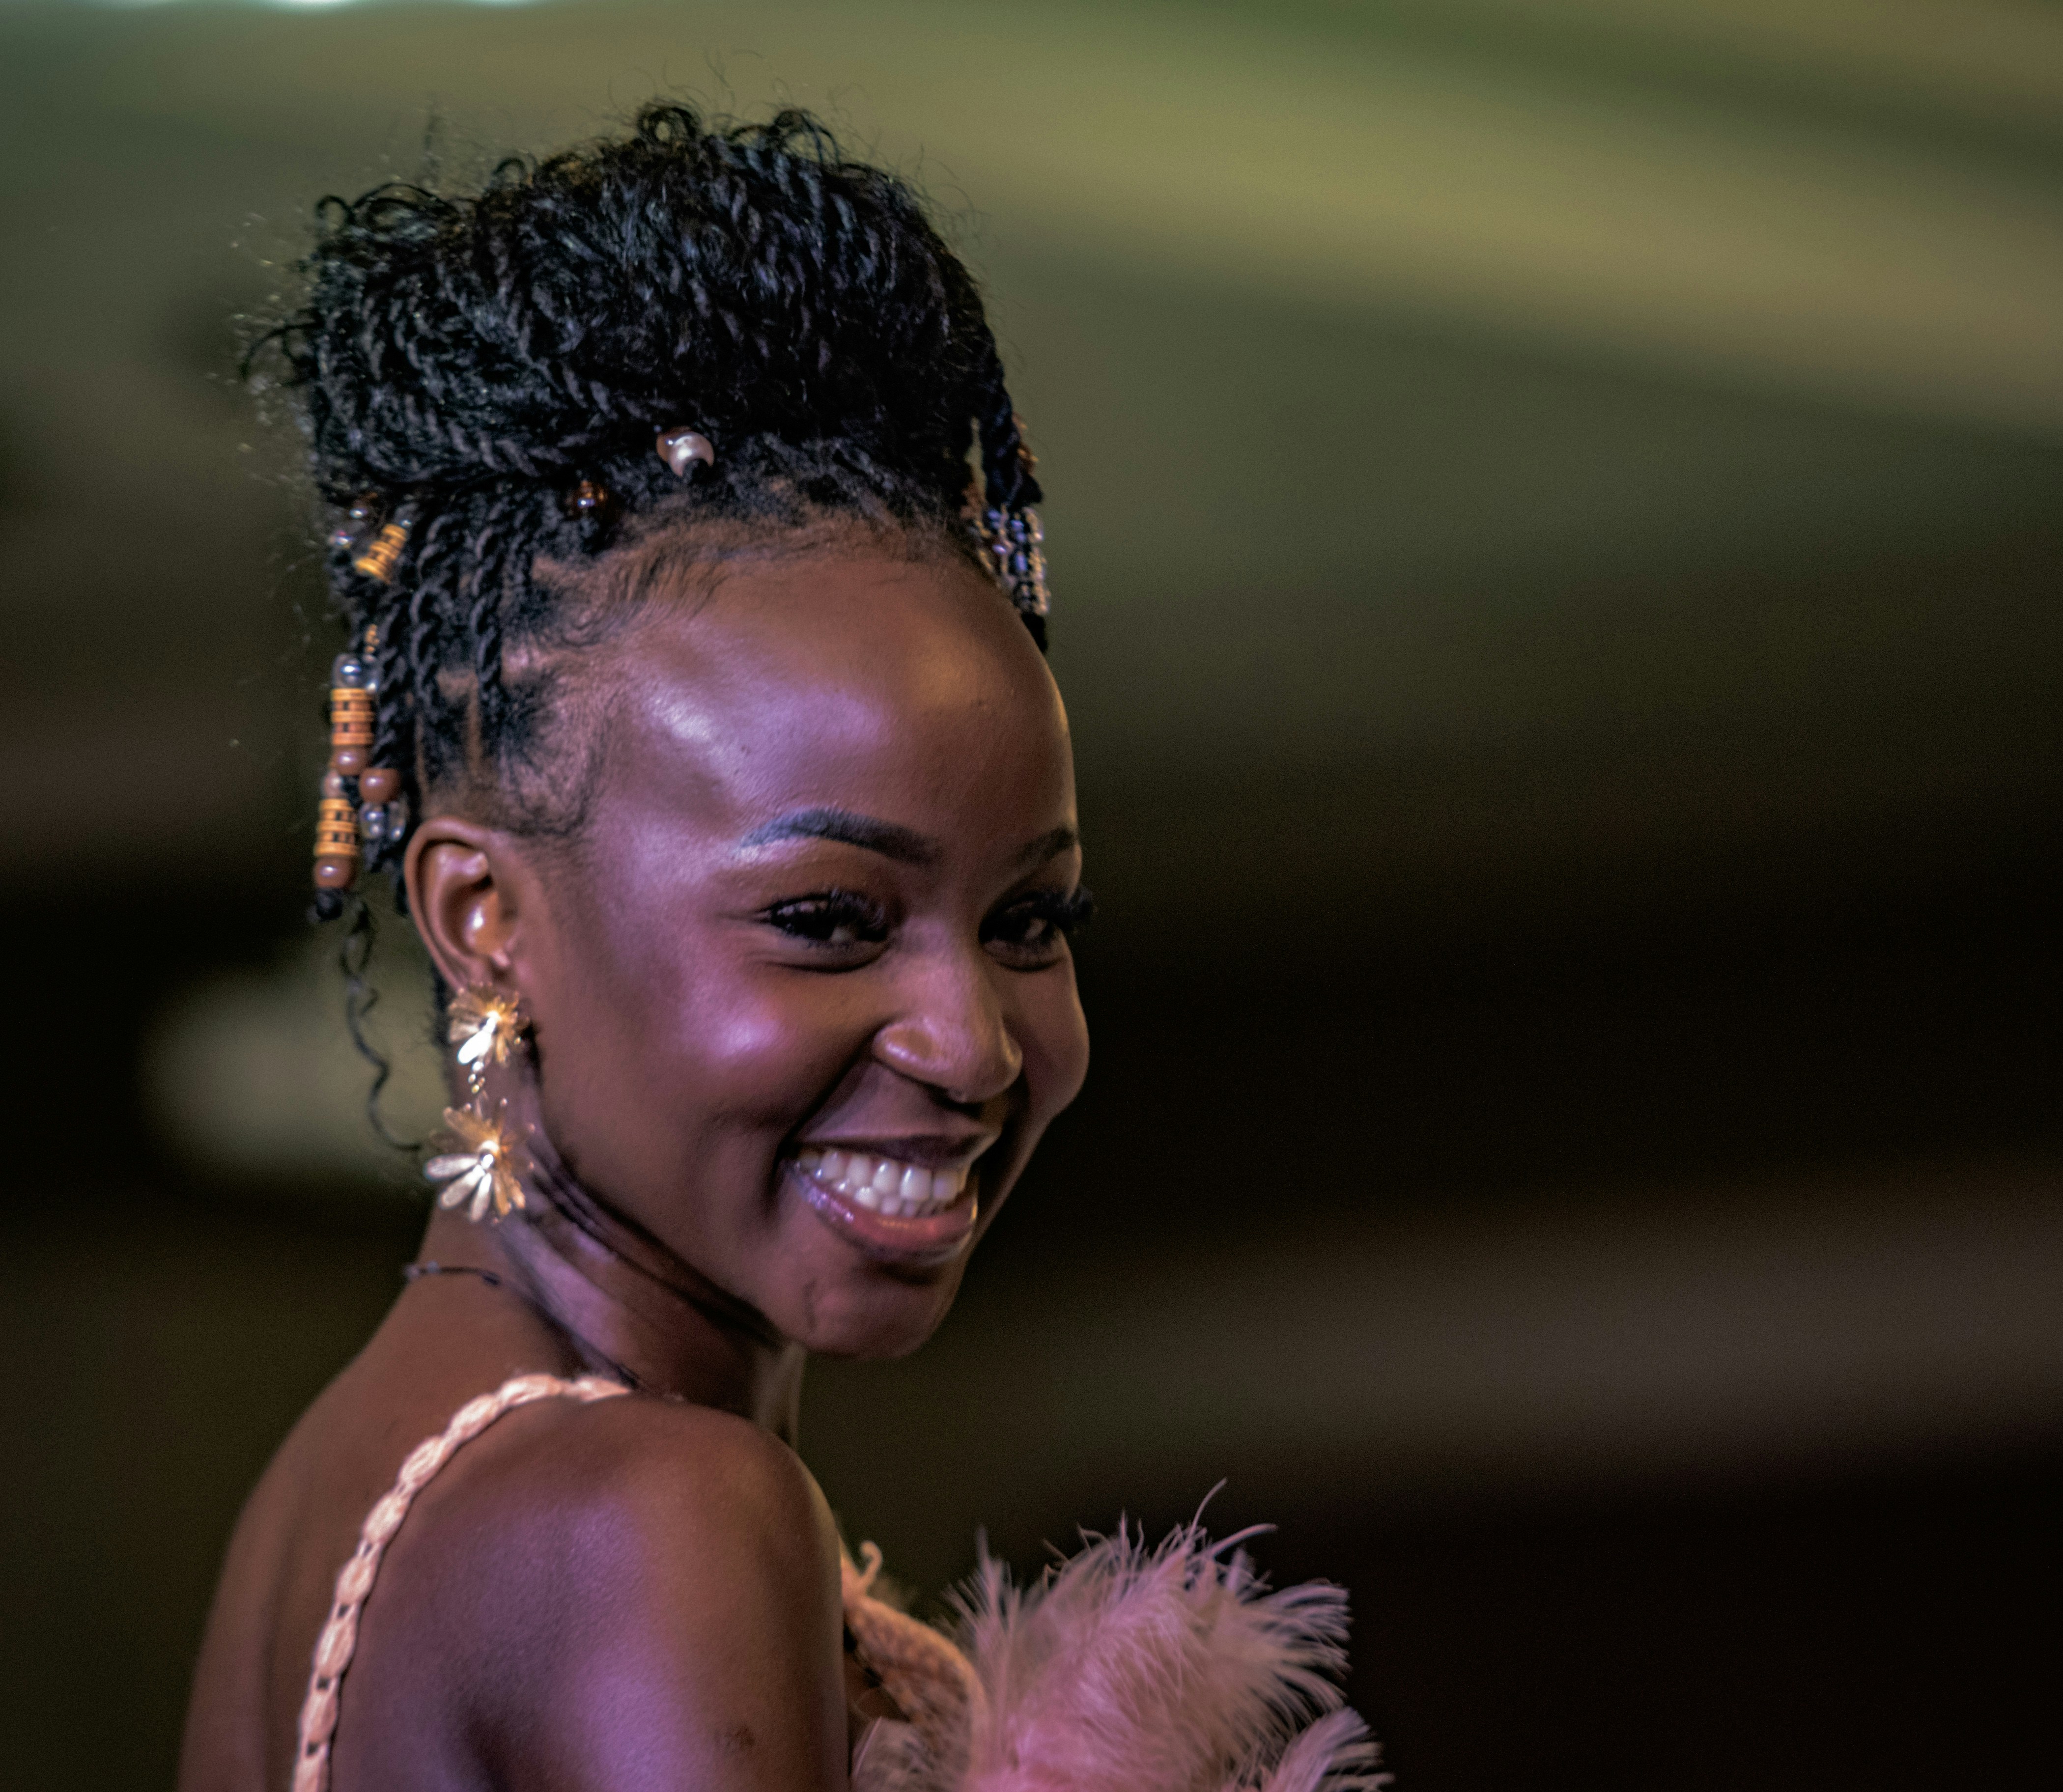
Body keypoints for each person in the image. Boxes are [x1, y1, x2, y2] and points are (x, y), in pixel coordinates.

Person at [175, 104, 1378, 1792]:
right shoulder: (654, 1512)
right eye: (828, 921)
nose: (972, 1043)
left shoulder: (348, 1489)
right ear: (482, 919)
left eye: (1030, 917)